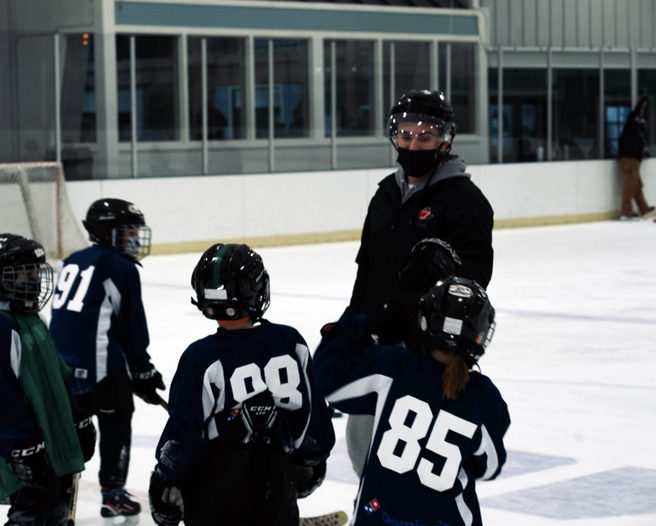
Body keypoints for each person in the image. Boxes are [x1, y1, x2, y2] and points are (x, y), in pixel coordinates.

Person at [344, 89, 495, 476]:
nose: (413, 144)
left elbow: (475, 284)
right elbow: (367, 272)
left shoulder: (465, 201)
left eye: (424, 137)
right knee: (363, 447)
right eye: (406, 135)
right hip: (378, 346)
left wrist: (447, 267)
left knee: (416, 464)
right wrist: (349, 330)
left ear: (445, 141)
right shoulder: (385, 195)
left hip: (427, 355)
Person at [148, 243, 335, 526]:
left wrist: (165, 479)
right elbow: (314, 419)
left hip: (216, 497)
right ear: (257, 290)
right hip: (278, 490)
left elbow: (184, 433)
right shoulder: (290, 342)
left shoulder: (201, 357)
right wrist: (312, 460)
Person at [313, 276, 510, 526]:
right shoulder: (484, 397)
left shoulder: (394, 367)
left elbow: (328, 378)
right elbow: (489, 467)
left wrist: (361, 321)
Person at [49, 198, 164, 518]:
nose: (134, 238)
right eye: (127, 231)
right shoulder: (121, 268)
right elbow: (131, 326)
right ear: (105, 232)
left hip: (63, 367)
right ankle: (112, 493)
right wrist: (141, 369)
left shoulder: (72, 260)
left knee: (74, 434)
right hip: (101, 369)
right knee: (116, 421)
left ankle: (61, 498)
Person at [0, 233, 90, 526]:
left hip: (55, 441)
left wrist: (78, 417)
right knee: (34, 514)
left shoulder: (33, 319)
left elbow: (57, 374)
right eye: (22, 273)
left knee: (57, 510)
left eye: (34, 271)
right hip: (33, 449)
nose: (33, 279)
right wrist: (21, 447)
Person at [618, 93, 654, 220]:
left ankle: (644, 209)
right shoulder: (630, 126)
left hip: (634, 160)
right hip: (628, 159)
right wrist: (642, 102)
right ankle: (625, 211)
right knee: (631, 184)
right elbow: (635, 113)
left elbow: (639, 146)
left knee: (637, 185)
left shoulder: (637, 135)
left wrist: (642, 153)